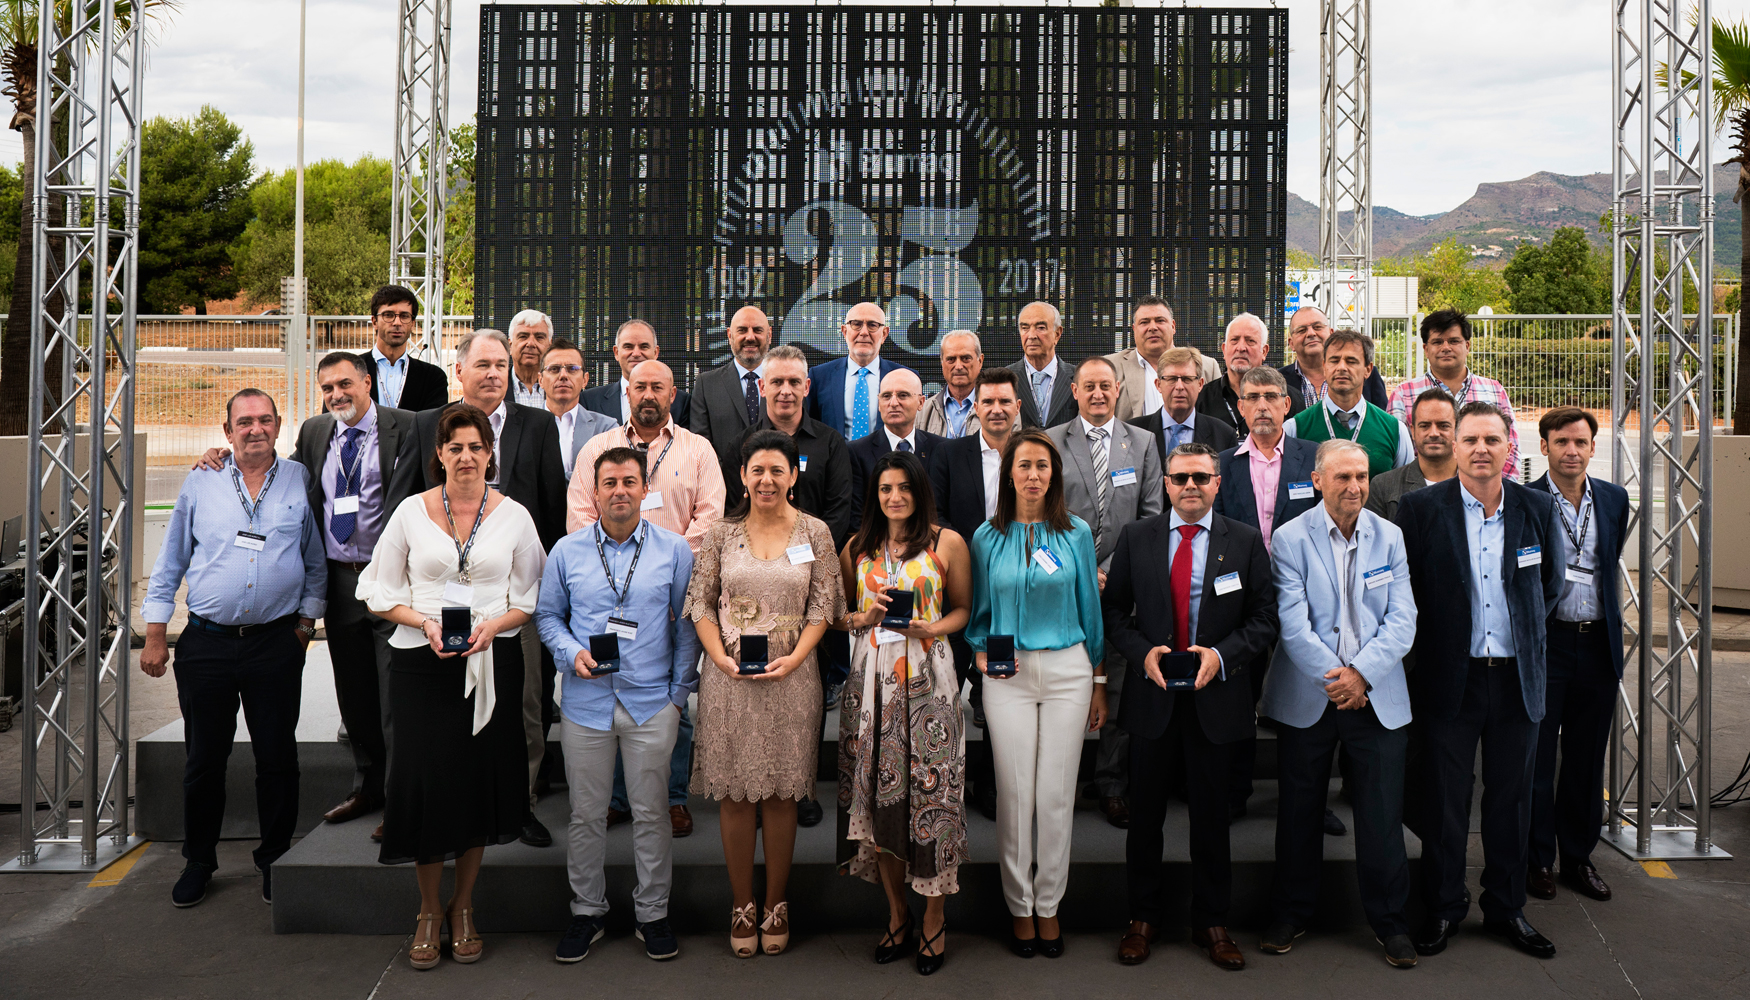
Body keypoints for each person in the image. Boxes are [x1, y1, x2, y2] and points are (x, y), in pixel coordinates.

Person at [358, 404, 546, 969]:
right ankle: (428, 909)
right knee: (423, 788)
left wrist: (494, 626)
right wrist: (425, 623)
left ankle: (464, 906)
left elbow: (528, 597)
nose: (466, 457)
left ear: (491, 455)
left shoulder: (515, 516)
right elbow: (378, 590)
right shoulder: (410, 514)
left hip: (491, 660)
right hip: (421, 666)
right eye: (455, 447)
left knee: (473, 786)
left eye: (476, 447)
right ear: (439, 453)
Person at [141, 389, 325, 908]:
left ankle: (273, 859)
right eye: (244, 422)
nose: (255, 429)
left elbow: (314, 560)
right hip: (207, 645)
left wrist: (306, 625)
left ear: (279, 425)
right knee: (203, 759)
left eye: (265, 420)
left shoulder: (297, 479)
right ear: (227, 432)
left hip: (275, 642)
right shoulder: (201, 480)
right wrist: (157, 633)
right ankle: (199, 860)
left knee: (277, 758)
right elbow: (170, 560)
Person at [1396, 401, 1563, 960]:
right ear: (1455, 446)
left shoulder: (1537, 507)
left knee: (1511, 800)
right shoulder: (1420, 509)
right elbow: (1409, 593)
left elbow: (1551, 587)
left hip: (1518, 679)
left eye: (1492, 439)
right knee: (1445, 799)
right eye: (1470, 440)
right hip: (1451, 678)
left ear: (1508, 444)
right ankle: (1444, 908)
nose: (1480, 449)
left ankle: (1505, 908)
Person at [1102, 442, 1277, 970]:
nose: (1190, 486)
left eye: (1201, 477)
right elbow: (1113, 614)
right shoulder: (1138, 538)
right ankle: (1143, 918)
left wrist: (1221, 657)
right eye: (1180, 479)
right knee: (1145, 818)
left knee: (1211, 819)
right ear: (1167, 485)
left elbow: (1265, 618)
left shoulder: (1244, 542)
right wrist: (1142, 653)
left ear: (1218, 483)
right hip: (1152, 698)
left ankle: (1211, 922)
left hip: (1216, 699)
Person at [683, 430, 847, 958]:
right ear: (743, 477)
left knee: (781, 796)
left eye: (778, 470)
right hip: (729, 679)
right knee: (734, 796)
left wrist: (797, 658)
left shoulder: (815, 532)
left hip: (792, 677)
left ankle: (776, 904)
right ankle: (741, 905)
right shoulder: (721, 535)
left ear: (794, 476)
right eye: (758, 470)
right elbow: (701, 604)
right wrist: (720, 658)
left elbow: (826, 606)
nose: (767, 479)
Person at [1257, 439, 1419, 969]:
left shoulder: (1389, 536)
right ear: (1318, 481)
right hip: (1311, 694)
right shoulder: (1289, 538)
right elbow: (1292, 623)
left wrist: (1363, 676)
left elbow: (1402, 620)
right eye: (1343, 477)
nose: (1355, 487)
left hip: (1375, 695)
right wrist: (1338, 678)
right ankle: (1290, 913)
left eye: (1363, 477)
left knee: (1380, 815)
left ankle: (1390, 922)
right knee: (1299, 814)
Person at [538, 446, 700, 964]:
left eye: (630, 481)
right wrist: (571, 653)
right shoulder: (566, 551)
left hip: (652, 705)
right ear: (594, 491)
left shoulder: (675, 551)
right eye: (610, 483)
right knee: (586, 815)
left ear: (643, 489)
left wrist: (678, 696)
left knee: (652, 813)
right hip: (586, 704)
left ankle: (653, 914)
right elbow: (548, 619)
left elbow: (687, 627)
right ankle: (587, 911)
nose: (620, 491)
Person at [410, 328, 568, 849]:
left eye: (501, 365)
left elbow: (550, 511)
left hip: (511, 604)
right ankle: (449, 805)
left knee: (523, 706)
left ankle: (519, 805)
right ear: (460, 371)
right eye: (483, 365)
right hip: (441, 603)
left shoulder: (538, 424)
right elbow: (408, 505)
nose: (494, 374)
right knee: (444, 711)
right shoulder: (427, 426)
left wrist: (544, 592)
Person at [966, 428, 1107, 958]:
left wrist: (1098, 682)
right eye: (1023, 465)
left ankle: (1049, 906)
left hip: (1070, 670)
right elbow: (978, 613)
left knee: (1054, 797)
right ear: (1008, 474)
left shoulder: (1075, 534)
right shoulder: (985, 536)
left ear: (1054, 475)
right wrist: (979, 652)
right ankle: (1019, 907)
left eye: (1042, 466)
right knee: (1016, 794)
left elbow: (1091, 615)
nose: (1032, 475)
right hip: (1007, 676)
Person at [571, 358, 726, 837]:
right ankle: (619, 798)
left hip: (675, 591)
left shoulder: (697, 450)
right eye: (640, 387)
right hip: (609, 593)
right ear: (627, 392)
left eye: (658, 387)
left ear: (673, 394)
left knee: (672, 695)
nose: (648, 395)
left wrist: (667, 563)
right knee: (613, 690)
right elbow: (580, 513)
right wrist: (613, 571)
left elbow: (711, 516)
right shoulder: (599, 448)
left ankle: (673, 797)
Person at [833, 452, 973, 976]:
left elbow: (962, 608)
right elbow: (842, 617)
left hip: (929, 682)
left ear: (919, 491)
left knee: (932, 799)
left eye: (904, 488)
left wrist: (932, 629)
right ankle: (896, 914)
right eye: (886, 488)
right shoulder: (857, 547)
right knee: (879, 797)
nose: (895, 497)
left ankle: (934, 917)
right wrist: (861, 616)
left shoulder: (947, 543)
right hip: (869, 684)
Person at [296, 354, 421, 838]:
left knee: (396, 697)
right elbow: (291, 481)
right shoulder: (313, 432)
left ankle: (401, 798)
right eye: (327, 388)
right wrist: (221, 459)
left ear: (367, 382)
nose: (336, 395)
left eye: (344, 384)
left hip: (392, 579)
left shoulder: (406, 426)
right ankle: (367, 786)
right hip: (341, 582)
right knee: (355, 695)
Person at [1045, 356, 1164, 829]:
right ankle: (1060, 786)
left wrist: (1112, 571)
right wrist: (1079, 570)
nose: (1097, 394)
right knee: (1063, 685)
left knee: (1115, 686)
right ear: (1074, 391)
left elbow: (1152, 513)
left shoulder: (1144, 442)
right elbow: (1041, 509)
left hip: (1122, 588)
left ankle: (1113, 784)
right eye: (1088, 386)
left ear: (1119, 391)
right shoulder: (1051, 441)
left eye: (1105, 387)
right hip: (1060, 587)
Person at [1527, 408, 1629, 904]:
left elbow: (1609, 559)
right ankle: (1537, 859)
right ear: (1544, 445)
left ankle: (1578, 857)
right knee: (1539, 757)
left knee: (1587, 759)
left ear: (1593, 447)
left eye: (1581, 442)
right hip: (1547, 643)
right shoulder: (1526, 501)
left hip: (1597, 644)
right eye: (1562, 441)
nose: (1572, 450)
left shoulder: (1613, 498)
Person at [1212, 363, 1320, 824]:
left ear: (1286, 404)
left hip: (1305, 599)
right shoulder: (1221, 465)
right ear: (1240, 406)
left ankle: (1308, 803)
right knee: (1240, 698)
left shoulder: (1314, 458)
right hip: (1243, 603)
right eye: (1251, 397)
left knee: (1304, 703)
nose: (1261, 405)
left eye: (1269, 397)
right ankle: (1234, 793)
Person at [930, 368, 1026, 820]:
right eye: (987, 402)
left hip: (1015, 595)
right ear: (976, 409)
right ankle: (942, 780)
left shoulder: (1033, 455)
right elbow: (939, 518)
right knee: (947, 684)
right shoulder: (951, 454)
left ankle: (993, 787)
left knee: (1001, 692)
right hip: (959, 593)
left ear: (1018, 407)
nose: (996, 409)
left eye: (1005, 402)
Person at [721, 345, 855, 550]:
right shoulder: (741, 446)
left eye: (794, 382)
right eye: (777, 382)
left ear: (807, 386)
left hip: (815, 560)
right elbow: (733, 512)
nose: (786, 391)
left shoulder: (831, 443)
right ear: (762, 387)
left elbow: (838, 513)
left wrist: (805, 553)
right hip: (757, 563)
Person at [1386, 309, 1522, 480]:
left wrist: (1495, 492)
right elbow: (1399, 454)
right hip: (1423, 496)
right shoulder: (1403, 394)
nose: (1446, 348)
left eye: (1453, 341)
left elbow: (1512, 449)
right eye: (1437, 342)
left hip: (1484, 494)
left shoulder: (1494, 391)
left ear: (1467, 346)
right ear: (1426, 349)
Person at [1285, 330, 1413, 478]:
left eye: (1351, 361)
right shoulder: (1295, 428)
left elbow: (1405, 489)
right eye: (1334, 360)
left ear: (1368, 369)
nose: (1341, 367)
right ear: (1324, 367)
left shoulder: (1395, 430)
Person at [849, 368, 949, 532]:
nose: (893, 403)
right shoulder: (856, 452)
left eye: (903, 395)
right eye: (886, 396)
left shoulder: (942, 449)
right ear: (879, 403)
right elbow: (857, 518)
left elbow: (946, 511)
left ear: (921, 402)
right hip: (879, 549)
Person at [806, 301, 917, 441]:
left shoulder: (906, 377)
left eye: (872, 325)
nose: (864, 332)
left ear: (884, 334)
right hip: (834, 461)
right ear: (845, 331)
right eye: (856, 324)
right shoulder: (819, 376)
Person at [1106, 294, 1221, 422]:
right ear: (1134, 329)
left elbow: (1217, 423)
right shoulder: (1110, 367)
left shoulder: (1208, 367)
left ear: (1173, 326)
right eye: (1144, 322)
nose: (1153, 327)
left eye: (1160, 320)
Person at [691, 305, 773, 466]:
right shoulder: (706, 385)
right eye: (742, 330)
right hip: (723, 486)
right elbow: (700, 445)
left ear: (769, 335)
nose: (750, 337)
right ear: (730, 335)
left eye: (757, 330)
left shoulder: (786, 384)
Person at [1129, 346, 1238, 466]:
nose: (1179, 386)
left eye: (1187, 379)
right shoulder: (1132, 433)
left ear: (1200, 384)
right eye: (1172, 379)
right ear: (1158, 385)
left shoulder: (1224, 435)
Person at [1279, 305, 1388, 418]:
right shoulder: (1278, 380)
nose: (1311, 333)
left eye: (1317, 327)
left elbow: (1380, 420)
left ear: (1331, 333)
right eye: (1301, 330)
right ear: (1291, 343)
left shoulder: (1367, 375)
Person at [581, 318, 693, 427]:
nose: (636, 353)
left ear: (655, 352)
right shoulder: (589, 401)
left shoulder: (682, 402)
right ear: (616, 352)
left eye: (644, 347)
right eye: (628, 346)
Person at [1367, 388, 1457, 521]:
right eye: (1425, 426)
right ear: (1413, 431)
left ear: (1457, 430)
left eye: (1443, 426)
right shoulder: (1383, 487)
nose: (1433, 433)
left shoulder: (1475, 485)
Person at [539, 338, 620, 480]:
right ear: (540, 380)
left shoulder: (606, 428)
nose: (563, 376)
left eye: (572, 369)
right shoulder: (523, 425)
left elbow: (610, 477)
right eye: (554, 369)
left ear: (585, 380)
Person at [367, 285, 450, 412]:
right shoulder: (351, 370)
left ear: (412, 323)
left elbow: (433, 427)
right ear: (374, 322)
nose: (397, 322)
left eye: (404, 316)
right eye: (388, 315)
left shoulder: (433, 378)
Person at [1196, 312, 1271, 434]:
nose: (1241, 347)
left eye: (1250, 341)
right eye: (1234, 340)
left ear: (1264, 351)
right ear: (1224, 350)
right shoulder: (1200, 399)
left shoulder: (1283, 397)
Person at [1007, 301, 1079, 428]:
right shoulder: (1005, 379)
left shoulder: (1078, 377)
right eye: (1025, 328)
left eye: (1040, 328)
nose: (1031, 336)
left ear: (1057, 333)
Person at [917, 329, 984, 438]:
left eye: (965, 358)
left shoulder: (998, 410)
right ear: (942, 363)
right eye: (951, 359)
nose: (958, 366)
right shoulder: (923, 412)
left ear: (980, 361)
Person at [507, 308, 554, 408]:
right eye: (523, 336)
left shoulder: (561, 386)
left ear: (549, 346)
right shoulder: (496, 386)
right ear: (510, 345)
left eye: (539, 337)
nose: (531, 344)